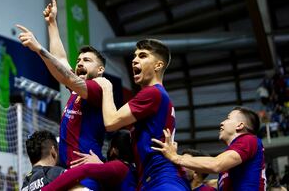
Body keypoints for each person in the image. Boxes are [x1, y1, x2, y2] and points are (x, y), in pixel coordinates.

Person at [17, 0, 106, 190]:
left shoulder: (99, 88)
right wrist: (52, 24)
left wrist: (38, 48)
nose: (80, 62)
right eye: (79, 59)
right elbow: (61, 61)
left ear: (100, 70)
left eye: (87, 60)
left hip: (87, 178)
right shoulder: (77, 90)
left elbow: (65, 75)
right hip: (68, 175)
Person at [93, 39, 190, 190]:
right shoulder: (160, 96)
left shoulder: (152, 93)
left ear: (158, 65)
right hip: (153, 179)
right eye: (135, 56)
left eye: (143, 56)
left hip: (163, 180)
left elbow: (111, 122)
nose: (134, 60)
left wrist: (106, 87)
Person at [152, 106, 266, 191]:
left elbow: (216, 164)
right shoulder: (230, 165)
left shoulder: (249, 139)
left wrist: (175, 157)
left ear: (240, 125)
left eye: (228, 118)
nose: (222, 123)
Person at [42, 129, 137, 191]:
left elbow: (84, 170)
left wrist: (46, 190)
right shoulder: (133, 170)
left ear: (114, 150)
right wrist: (102, 165)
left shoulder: (119, 167)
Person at [0, 40, 17, 151]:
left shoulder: (7, 58)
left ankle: (1, 137)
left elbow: (14, 70)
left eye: (3, 48)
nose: (1, 50)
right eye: (0, 47)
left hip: (5, 88)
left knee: (4, 113)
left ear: (5, 49)